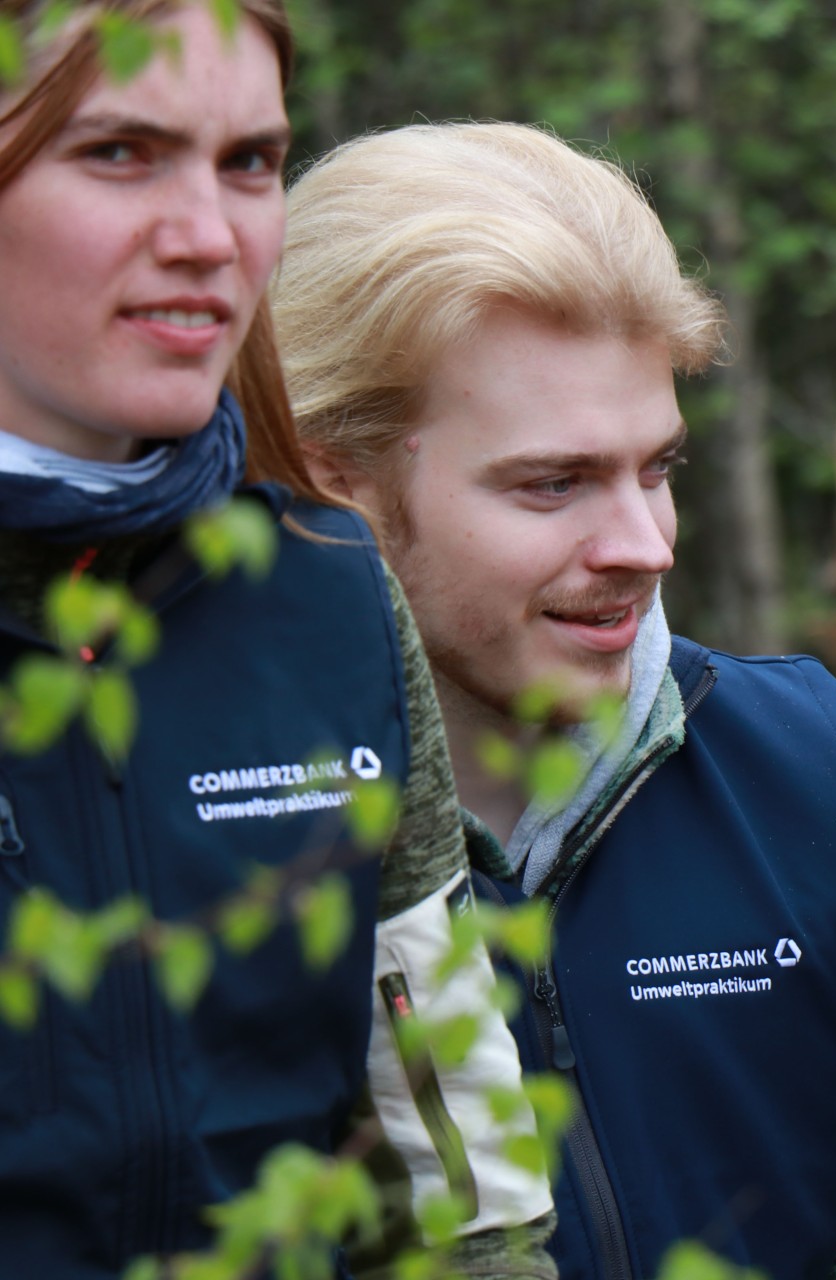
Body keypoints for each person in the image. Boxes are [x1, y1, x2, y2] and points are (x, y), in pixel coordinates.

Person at [275, 120, 836, 1280]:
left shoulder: (810, 776)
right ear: (340, 485)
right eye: (554, 482)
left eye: (659, 467)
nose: (643, 544)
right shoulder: (179, 835)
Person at [0, 2, 557, 1276]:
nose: (206, 238)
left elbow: (464, 1179)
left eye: (249, 162)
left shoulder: (328, 594)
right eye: (119, 153)